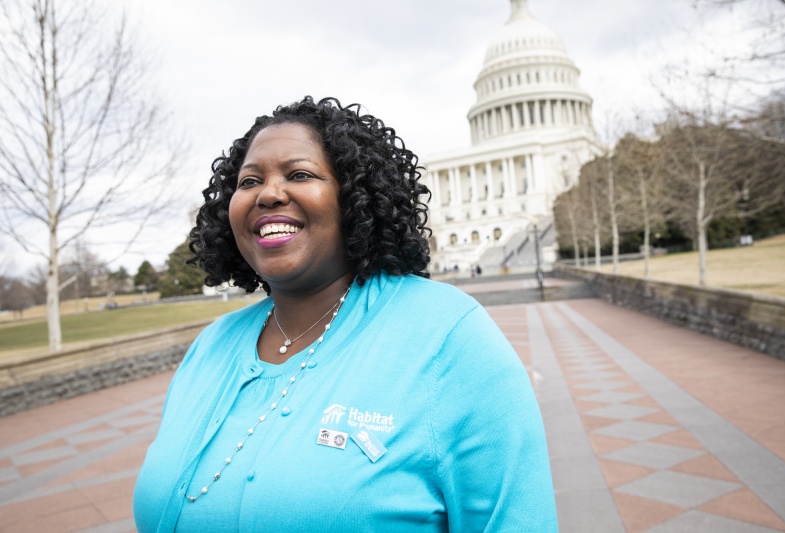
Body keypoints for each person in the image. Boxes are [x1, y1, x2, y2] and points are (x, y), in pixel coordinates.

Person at [133, 96, 557, 532]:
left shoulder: (446, 336)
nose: (269, 193)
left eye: (299, 175)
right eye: (249, 181)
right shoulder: (211, 346)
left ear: (355, 196)